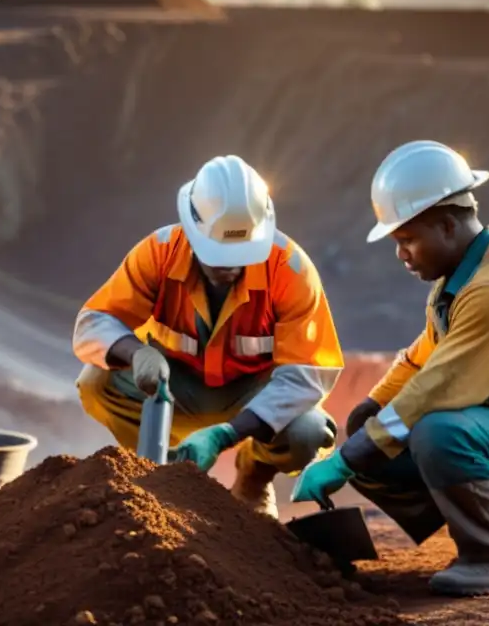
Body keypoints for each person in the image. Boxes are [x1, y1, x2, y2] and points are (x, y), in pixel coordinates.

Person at [291, 140, 489, 597]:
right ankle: (474, 525)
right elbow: (418, 361)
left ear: (448, 225)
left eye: (407, 239)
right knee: (372, 427)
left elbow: (439, 385)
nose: (402, 254)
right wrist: (370, 411)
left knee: (437, 431)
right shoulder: (456, 285)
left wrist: (346, 459)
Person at [73, 154, 345, 519]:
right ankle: (159, 474)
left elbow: (308, 374)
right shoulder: (160, 252)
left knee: (308, 431)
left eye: (241, 255)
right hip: (174, 390)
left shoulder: (289, 268)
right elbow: (92, 323)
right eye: (217, 255)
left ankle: (253, 482)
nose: (229, 267)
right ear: (192, 230)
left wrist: (225, 434)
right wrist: (135, 353)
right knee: (96, 381)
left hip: (252, 399)